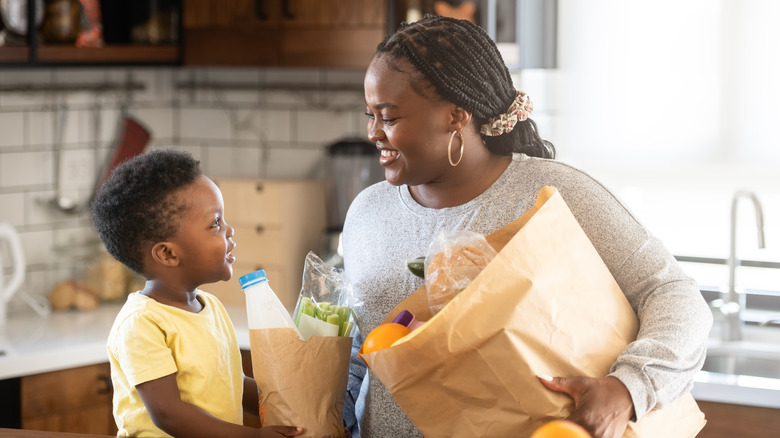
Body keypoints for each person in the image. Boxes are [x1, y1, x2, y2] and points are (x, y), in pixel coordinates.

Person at [342, 15, 713, 438]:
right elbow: (360, 349)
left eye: (388, 117)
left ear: (455, 117)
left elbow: (674, 296)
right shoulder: (367, 213)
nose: (373, 133)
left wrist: (628, 388)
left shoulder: (554, 195)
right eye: (369, 115)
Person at [91, 149, 303, 438]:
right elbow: (170, 414)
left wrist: (297, 406)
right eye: (215, 223)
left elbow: (235, 385)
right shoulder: (141, 323)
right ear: (168, 253)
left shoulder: (212, 308)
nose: (229, 230)